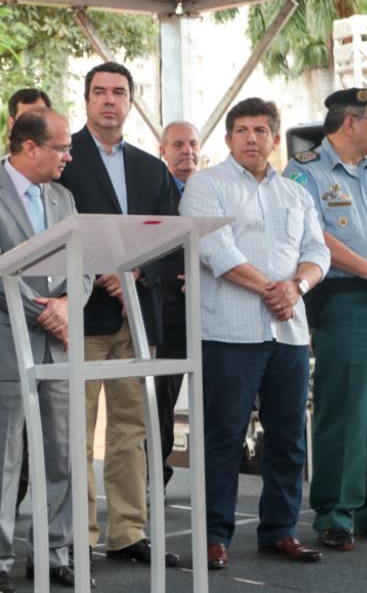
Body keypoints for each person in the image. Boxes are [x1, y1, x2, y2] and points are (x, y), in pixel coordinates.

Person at [180, 97, 329, 570]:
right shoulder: (206, 185)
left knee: (288, 438)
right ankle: (213, 536)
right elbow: (214, 250)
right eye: (241, 130)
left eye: (260, 130)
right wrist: (275, 289)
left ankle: (280, 531)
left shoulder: (296, 194)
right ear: (227, 139)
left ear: (273, 138)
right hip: (228, 331)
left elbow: (318, 253)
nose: (251, 138)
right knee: (223, 435)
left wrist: (298, 286)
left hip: (287, 334)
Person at [0, 110, 92, 592]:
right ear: (30, 147)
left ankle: (54, 552)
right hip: (5, 342)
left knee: (61, 454)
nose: (68, 156)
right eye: (61, 148)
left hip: (59, 344)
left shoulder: (64, 196)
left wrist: (68, 303)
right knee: (3, 457)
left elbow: (84, 262)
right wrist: (48, 312)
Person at [57, 61, 178, 566]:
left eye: (119, 93)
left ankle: (128, 532)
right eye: (100, 92)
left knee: (133, 431)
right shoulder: (64, 159)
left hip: (137, 314)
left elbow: (173, 238)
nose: (109, 101)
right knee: (77, 434)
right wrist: (102, 270)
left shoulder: (153, 169)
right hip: (81, 315)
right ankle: (80, 537)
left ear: (131, 102)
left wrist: (136, 274)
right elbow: (48, 230)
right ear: (86, 101)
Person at [283, 87, 367, 550]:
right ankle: (335, 514)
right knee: (343, 410)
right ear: (350, 124)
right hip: (345, 300)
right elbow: (314, 234)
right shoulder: (305, 172)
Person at [154, 120, 201, 486]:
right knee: (161, 403)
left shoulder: (210, 190)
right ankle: (157, 476)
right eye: (179, 144)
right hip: (168, 311)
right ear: (163, 151)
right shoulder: (155, 190)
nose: (187, 151)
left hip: (210, 312)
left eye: (193, 144)